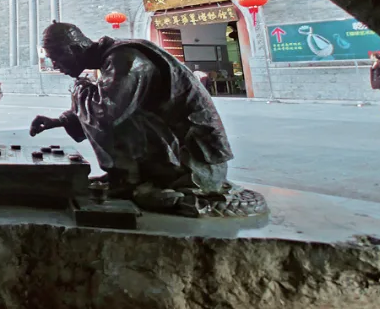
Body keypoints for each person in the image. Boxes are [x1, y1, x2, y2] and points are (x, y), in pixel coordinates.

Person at [29, 22, 245, 217]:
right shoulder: (113, 58)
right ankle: (129, 176)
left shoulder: (127, 59)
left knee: (104, 107)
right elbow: (106, 106)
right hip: (179, 151)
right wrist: (61, 120)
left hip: (194, 164)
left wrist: (79, 90)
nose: (55, 65)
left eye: (56, 59)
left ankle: (131, 178)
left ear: (75, 50)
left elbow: (106, 114)